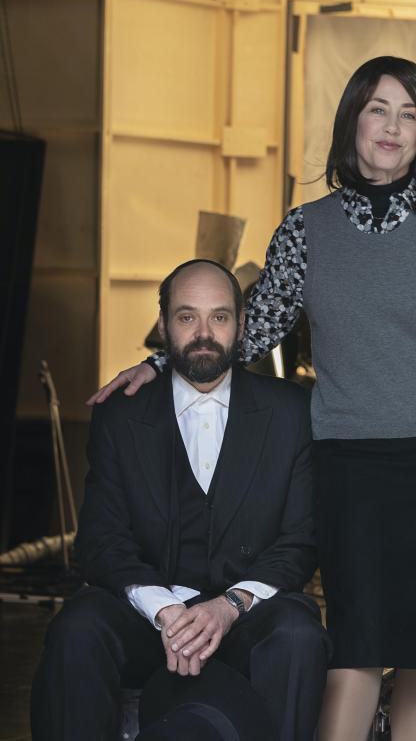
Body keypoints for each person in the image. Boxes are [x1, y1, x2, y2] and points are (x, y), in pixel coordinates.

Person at [88, 56, 416, 741]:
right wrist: (161, 362)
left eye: (409, 114)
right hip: (346, 465)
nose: (392, 127)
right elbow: (250, 330)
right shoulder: (305, 229)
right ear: (353, 121)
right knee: (356, 643)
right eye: (378, 109)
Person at [33, 259, 329, 741]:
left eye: (220, 316)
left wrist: (228, 606)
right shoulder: (119, 414)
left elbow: (300, 540)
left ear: (242, 324)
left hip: (246, 616)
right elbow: (101, 539)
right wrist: (164, 611)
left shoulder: (291, 411)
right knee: (78, 627)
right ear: (164, 324)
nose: (204, 333)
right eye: (187, 316)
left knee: (298, 634)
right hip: (146, 619)